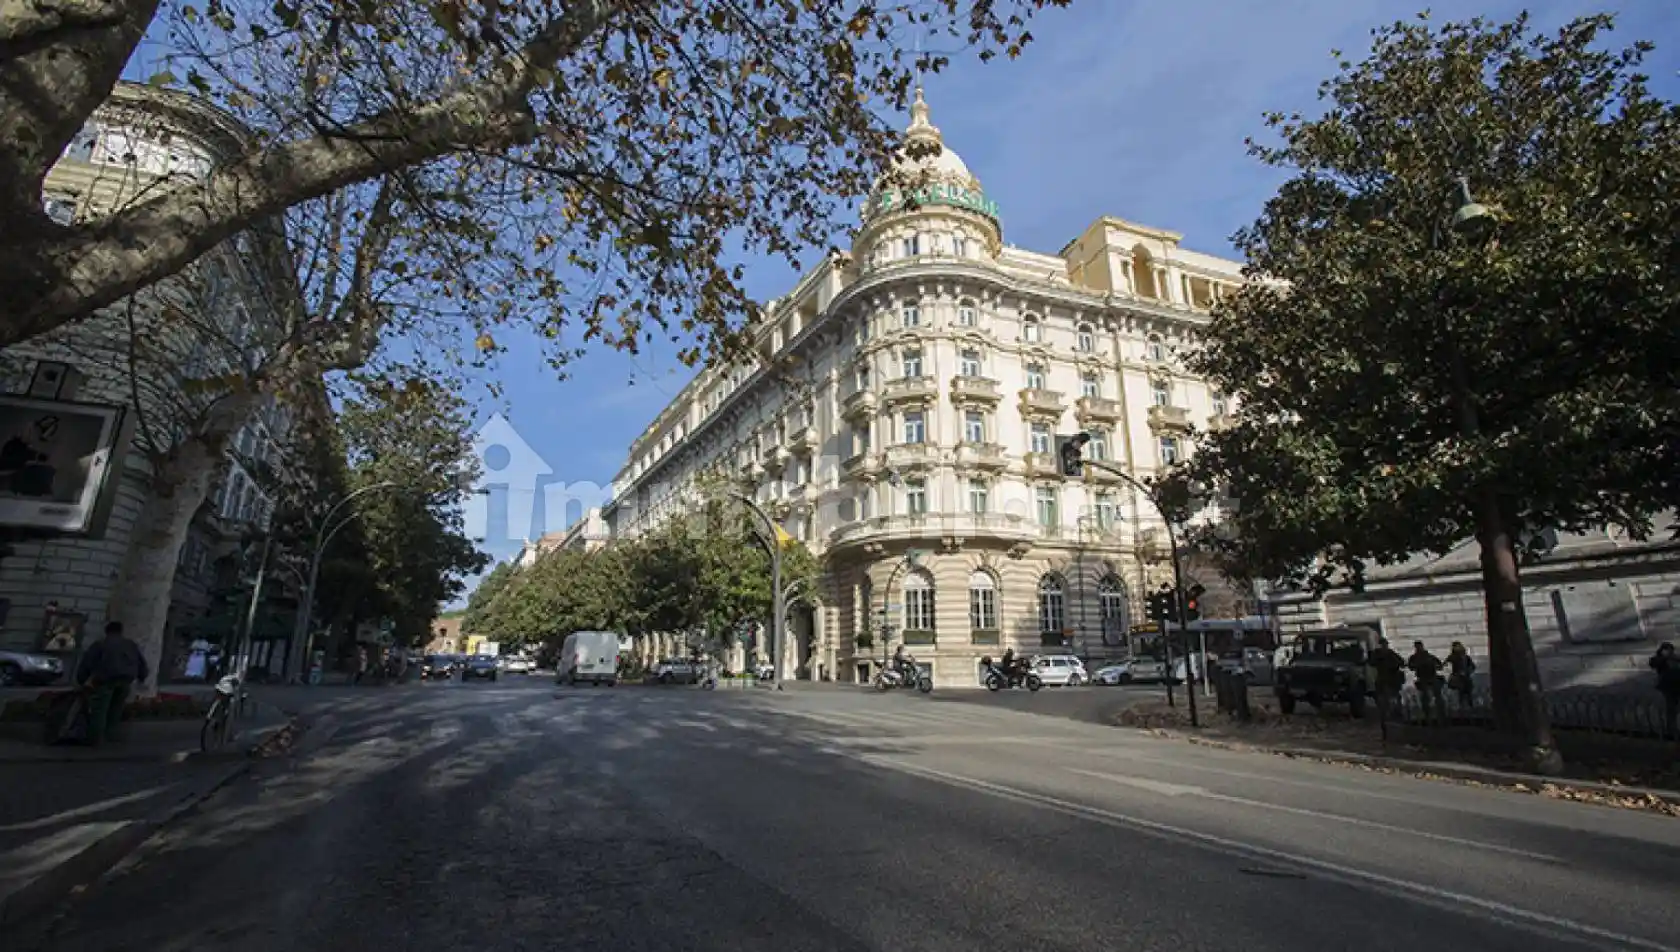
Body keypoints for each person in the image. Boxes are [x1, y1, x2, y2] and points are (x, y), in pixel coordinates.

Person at [74, 621, 149, 745]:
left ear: (106, 631)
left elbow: (87, 663)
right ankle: (110, 737)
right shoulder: (130, 644)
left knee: (99, 711)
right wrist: (142, 678)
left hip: (105, 681)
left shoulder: (100, 644)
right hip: (125, 681)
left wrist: (81, 680)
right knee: (115, 710)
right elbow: (141, 663)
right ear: (121, 631)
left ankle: (95, 739)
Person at [1406, 641, 1445, 725]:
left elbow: (1440, 666)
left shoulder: (1429, 656)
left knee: (1437, 699)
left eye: (1419, 647)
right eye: (1417, 647)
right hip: (1423, 679)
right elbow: (1410, 667)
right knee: (1426, 700)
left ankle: (1440, 718)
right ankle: (1430, 718)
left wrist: (1434, 666)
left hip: (1432, 678)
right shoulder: (1415, 657)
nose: (1419, 648)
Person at [1368, 637, 1406, 723]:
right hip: (1383, 678)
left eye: (1385, 644)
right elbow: (1371, 663)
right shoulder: (1377, 654)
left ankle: (1396, 712)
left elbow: (1402, 662)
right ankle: (1387, 714)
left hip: (1392, 678)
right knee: (1383, 698)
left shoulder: (1391, 653)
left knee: (1394, 697)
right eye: (1383, 644)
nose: (1384, 646)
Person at [1650, 642, 1680, 741]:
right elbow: (1653, 663)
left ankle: (1672, 730)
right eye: (1668, 650)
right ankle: (1671, 731)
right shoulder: (1659, 659)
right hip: (1668, 687)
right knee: (1670, 709)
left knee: (1672, 709)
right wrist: (1666, 658)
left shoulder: (1674, 658)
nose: (1670, 652)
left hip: (1675, 685)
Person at [1446, 641, 1476, 709]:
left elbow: (1472, 666)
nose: (1456, 648)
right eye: (1455, 647)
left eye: (1457, 647)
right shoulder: (1453, 657)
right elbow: (1445, 664)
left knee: (1468, 693)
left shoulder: (1466, 657)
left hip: (1465, 677)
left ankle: (1469, 706)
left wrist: (1467, 671)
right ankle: (1461, 706)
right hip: (1457, 677)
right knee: (1460, 693)